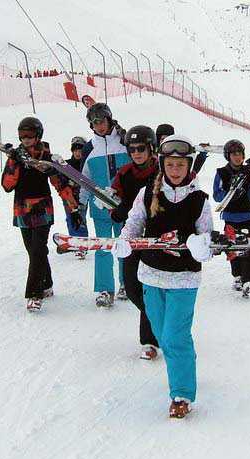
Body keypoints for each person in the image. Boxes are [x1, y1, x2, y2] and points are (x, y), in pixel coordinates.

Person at [111, 134, 214, 419]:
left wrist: (200, 246)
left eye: (181, 164)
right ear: (163, 165)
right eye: (170, 164)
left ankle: (181, 393)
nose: (175, 170)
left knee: (174, 335)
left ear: (189, 165)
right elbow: (134, 222)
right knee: (162, 334)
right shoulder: (148, 193)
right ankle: (185, 364)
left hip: (184, 279)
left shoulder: (199, 201)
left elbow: (207, 243)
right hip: (151, 274)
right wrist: (124, 241)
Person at [1, 117, 84, 311]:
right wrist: (14, 161)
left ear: (38, 135)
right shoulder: (17, 156)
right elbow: (7, 185)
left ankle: (34, 293)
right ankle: (46, 283)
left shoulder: (47, 158)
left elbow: (61, 185)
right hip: (22, 208)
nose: (26, 139)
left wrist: (73, 209)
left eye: (29, 135)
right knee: (34, 251)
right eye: (22, 135)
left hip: (42, 208)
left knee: (38, 249)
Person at [110, 125, 160, 359]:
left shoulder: (163, 171)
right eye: (132, 149)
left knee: (150, 287)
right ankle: (159, 319)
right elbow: (112, 199)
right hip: (131, 237)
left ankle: (150, 341)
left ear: (151, 148)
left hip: (157, 237)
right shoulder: (124, 173)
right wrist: (116, 211)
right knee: (132, 288)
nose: (137, 153)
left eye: (141, 148)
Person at [80, 103, 131, 307]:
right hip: (100, 208)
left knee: (124, 245)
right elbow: (84, 179)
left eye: (101, 121)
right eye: (94, 123)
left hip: (123, 207)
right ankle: (104, 289)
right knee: (102, 248)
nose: (99, 126)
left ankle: (126, 283)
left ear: (109, 119)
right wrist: (79, 207)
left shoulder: (124, 142)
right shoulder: (89, 149)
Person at [212, 139, 250, 297]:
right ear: (228, 156)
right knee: (233, 249)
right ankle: (238, 276)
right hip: (230, 218)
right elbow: (217, 197)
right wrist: (231, 191)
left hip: (247, 217)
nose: (237, 157)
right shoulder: (221, 173)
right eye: (234, 154)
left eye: (240, 154)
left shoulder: (248, 173)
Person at [61, 136, 90, 259]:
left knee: (80, 217)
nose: (78, 153)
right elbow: (60, 179)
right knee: (70, 218)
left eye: (80, 150)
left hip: (82, 196)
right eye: (75, 150)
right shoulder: (67, 164)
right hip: (68, 196)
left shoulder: (86, 164)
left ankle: (82, 246)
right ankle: (74, 242)